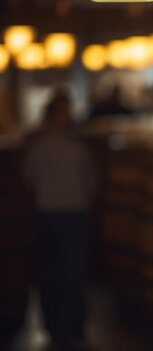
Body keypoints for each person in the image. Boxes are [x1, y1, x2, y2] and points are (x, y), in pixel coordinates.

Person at [23, 87, 97, 350]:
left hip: (46, 215)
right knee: (73, 274)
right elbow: (91, 185)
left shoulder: (37, 148)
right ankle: (72, 331)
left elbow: (28, 181)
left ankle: (54, 329)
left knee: (49, 273)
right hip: (73, 215)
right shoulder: (76, 149)